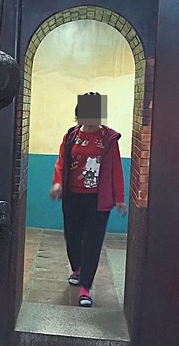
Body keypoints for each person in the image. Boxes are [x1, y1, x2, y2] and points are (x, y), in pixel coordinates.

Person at [49, 92, 127, 307]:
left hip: (98, 201)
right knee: (72, 237)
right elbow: (61, 162)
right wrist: (58, 183)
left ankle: (85, 288)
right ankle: (77, 268)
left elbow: (116, 170)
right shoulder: (71, 136)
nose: (91, 121)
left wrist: (119, 198)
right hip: (72, 197)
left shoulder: (108, 139)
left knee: (92, 243)